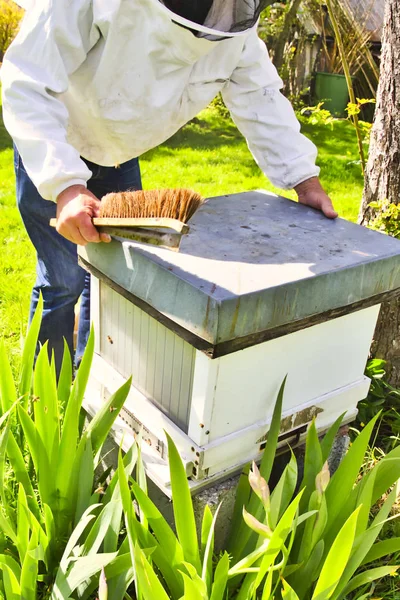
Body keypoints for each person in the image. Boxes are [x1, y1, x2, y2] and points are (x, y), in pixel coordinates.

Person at [1, 0, 337, 373]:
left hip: (119, 154)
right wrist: (65, 186)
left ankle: (90, 380)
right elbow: (27, 80)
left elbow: (260, 95)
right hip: (56, 140)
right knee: (62, 279)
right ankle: (46, 398)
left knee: (111, 277)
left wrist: (303, 177)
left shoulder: (236, 27)